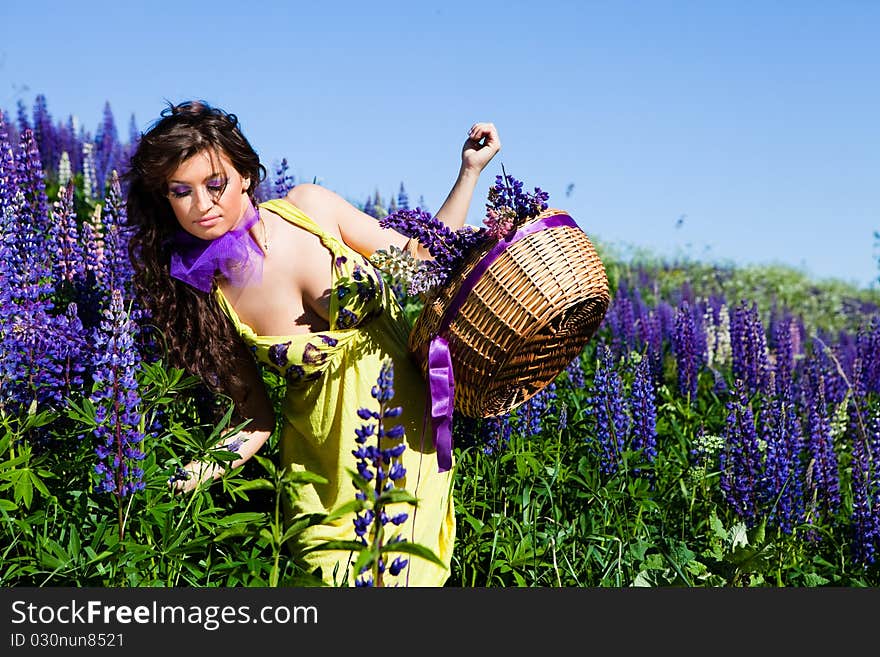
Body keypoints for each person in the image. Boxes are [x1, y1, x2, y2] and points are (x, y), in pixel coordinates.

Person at [124, 100, 501, 586]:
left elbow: (418, 261)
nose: (202, 205)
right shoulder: (207, 294)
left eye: (215, 184)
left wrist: (468, 172)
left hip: (405, 437)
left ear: (244, 175)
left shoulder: (309, 207)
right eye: (182, 191)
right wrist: (185, 476)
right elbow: (253, 421)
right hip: (323, 470)